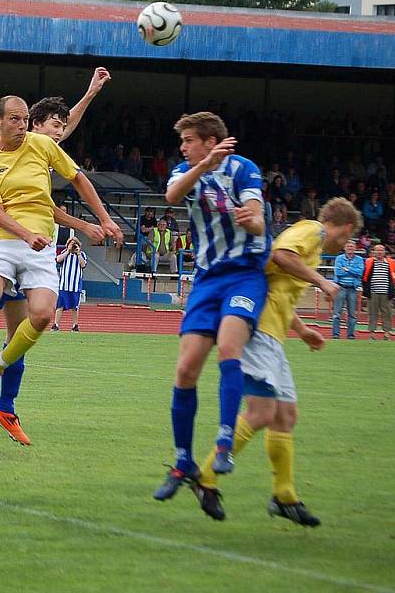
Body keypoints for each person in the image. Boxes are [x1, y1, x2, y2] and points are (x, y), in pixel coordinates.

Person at [0, 88, 110, 445]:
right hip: (1, 241)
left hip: (36, 246)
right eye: (54, 126)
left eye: (62, 128)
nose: (60, 132)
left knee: (26, 327)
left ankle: (4, 404)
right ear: (7, 122)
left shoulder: (43, 148)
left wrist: (92, 91)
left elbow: (61, 189)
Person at [192, 198, 360, 526]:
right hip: (257, 331)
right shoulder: (312, 231)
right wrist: (322, 281)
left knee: (285, 415)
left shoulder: (311, 240)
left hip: (274, 336)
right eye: (349, 239)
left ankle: (284, 496)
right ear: (348, 228)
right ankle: (206, 478)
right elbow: (279, 256)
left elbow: (276, 285)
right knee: (261, 413)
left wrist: (303, 329)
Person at [153, 112, 269, 501]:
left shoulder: (244, 169)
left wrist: (249, 219)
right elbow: (172, 196)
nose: (183, 147)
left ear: (210, 138)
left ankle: (223, 442)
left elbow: (257, 223)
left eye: (189, 140)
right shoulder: (187, 170)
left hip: (244, 275)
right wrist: (202, 164)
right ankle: (183, 460)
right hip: (207, 278)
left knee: (229, 346)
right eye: (183, 141)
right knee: (185, 370)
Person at [51, 236, 87, 332]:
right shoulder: (64, 253)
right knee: (60, 305)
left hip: (75, 285)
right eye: (71, 244)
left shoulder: (82, 254)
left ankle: (75, 325)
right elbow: (58, 260)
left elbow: (83, 265)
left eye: (75, 244)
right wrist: (68, 250)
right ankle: (56, 324)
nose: (73, 246)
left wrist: (78, 253)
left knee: (75, 306)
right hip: (64, 285)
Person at [362, 244, 395, 340]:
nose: (379, 252)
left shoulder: (391, 262)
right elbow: (365, 277)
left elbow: (394, 277)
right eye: (377, 250)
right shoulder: (368, 262)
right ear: (373, 252)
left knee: (387, 313)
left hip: (386, 292)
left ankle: (386, 333)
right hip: (373, 292)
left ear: (385, 252)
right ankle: (372, 334)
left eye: (381, 250)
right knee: (372, 313)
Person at [332, 239, 364, 339]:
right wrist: (352, 271)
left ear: (355, 248)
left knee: (352, 314)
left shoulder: (359, 259)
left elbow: (360, 273)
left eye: (352, 247)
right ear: (345, 248)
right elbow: (338, 272)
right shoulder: (339, 258)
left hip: (352, 289)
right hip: (341, 287)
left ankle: (350, 335)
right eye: (348, 246)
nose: (350, 248)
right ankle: (336, 334)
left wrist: (347, 269)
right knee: (337, 313)